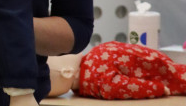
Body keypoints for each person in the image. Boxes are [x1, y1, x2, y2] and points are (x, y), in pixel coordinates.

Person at [47, 42, 186, 99]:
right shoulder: (94, 56)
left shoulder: (96, 79)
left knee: (179, 79)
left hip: (160, 74)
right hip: (159, 64)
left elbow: (127, 87)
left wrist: (157, 88)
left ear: (67, 72)